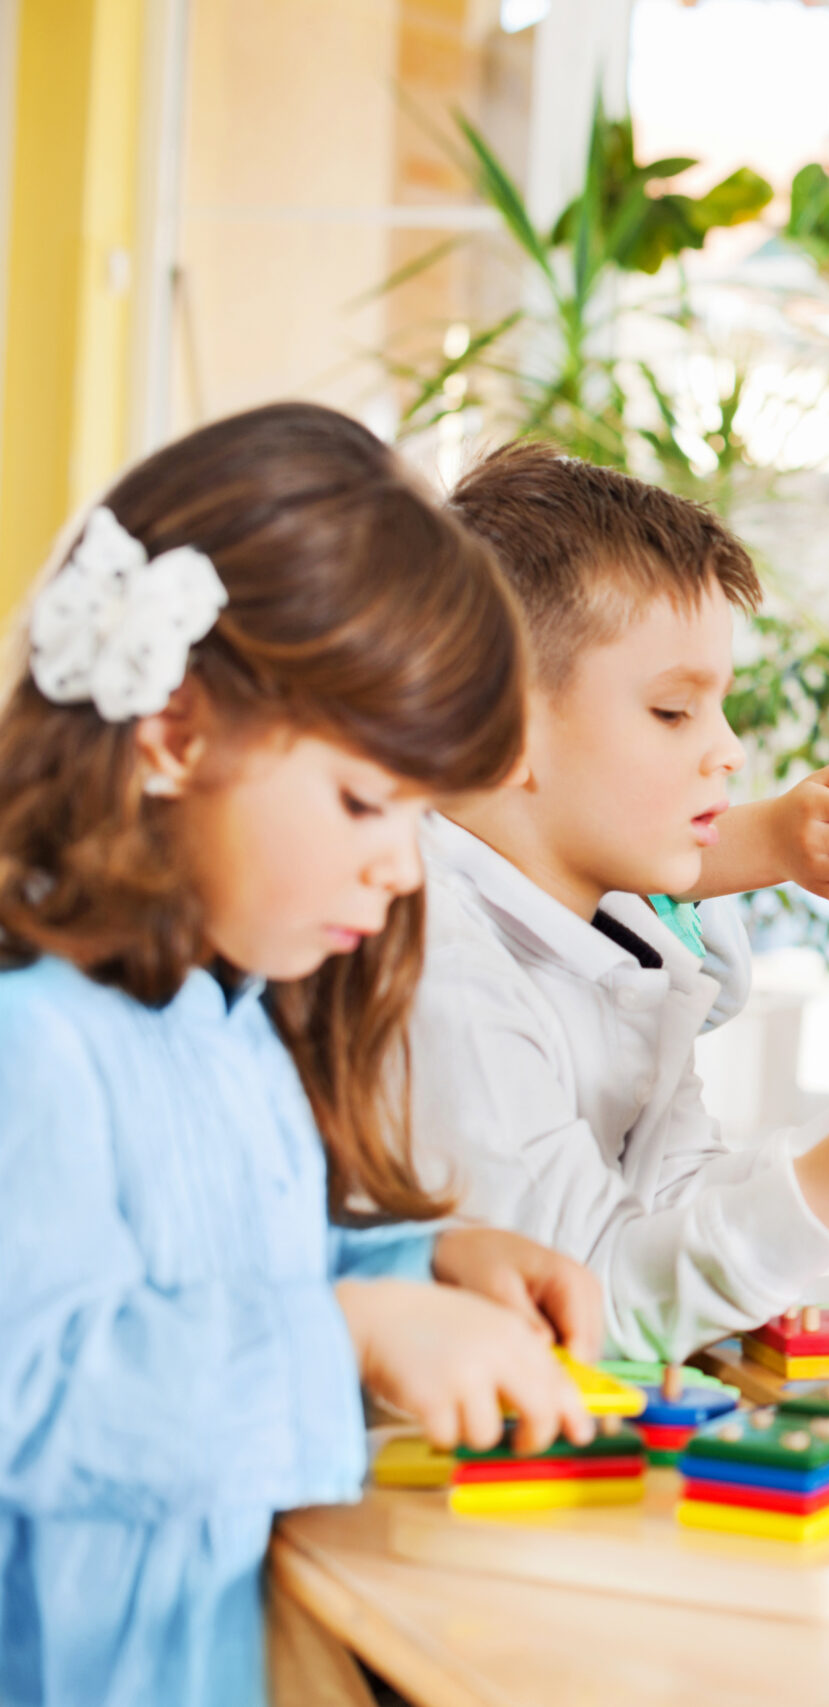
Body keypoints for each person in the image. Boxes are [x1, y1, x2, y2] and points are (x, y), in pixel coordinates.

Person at [0, 404, 599, 1706]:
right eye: (365, 802)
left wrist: (419, 1264)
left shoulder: (221, 1012)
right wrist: (348, 1332)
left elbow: (213, 1274)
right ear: (173, 728)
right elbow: (33, 1388)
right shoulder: (32, 1042)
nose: (400, 866)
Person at [408, 442, 829, 1360]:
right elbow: (588, 1301)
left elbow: (673, 1203)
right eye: (674, 712)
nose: (730, 751)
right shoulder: (440, 974)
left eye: (721, 706)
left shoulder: (630, 940)